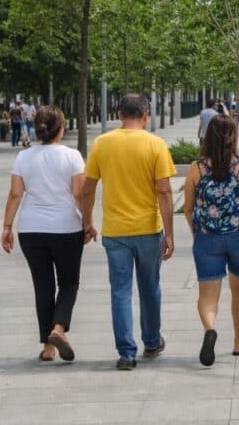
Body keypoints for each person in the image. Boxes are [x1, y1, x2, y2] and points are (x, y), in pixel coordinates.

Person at [81, 94, 176, 370]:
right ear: (145, 115)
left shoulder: (102, 144)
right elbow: (164, 190)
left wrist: (87, 222)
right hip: (148, 229)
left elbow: (88, 189)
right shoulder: (156, 145)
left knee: (120, 291)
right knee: (150, 287)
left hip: (115, 231)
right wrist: (169, 234)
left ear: (119, 114)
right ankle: (152, 341)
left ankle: (126, 352)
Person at [1, 106, 90, 362]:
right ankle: (58, 328)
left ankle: (48, 348)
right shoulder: (73, 156)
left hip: (31, 229)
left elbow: (16, 194)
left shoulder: (23, 157)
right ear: (61, 128)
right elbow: (79, 194)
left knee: (43, 286)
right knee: (69, 283)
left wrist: (7, 227)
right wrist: (88, 222)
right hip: (66, 228)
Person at [183, 116, 239, 367]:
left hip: (207, 239)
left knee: (208, 295)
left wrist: (197, 232)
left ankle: (210, 328)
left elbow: (188, 209)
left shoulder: (196, 168)